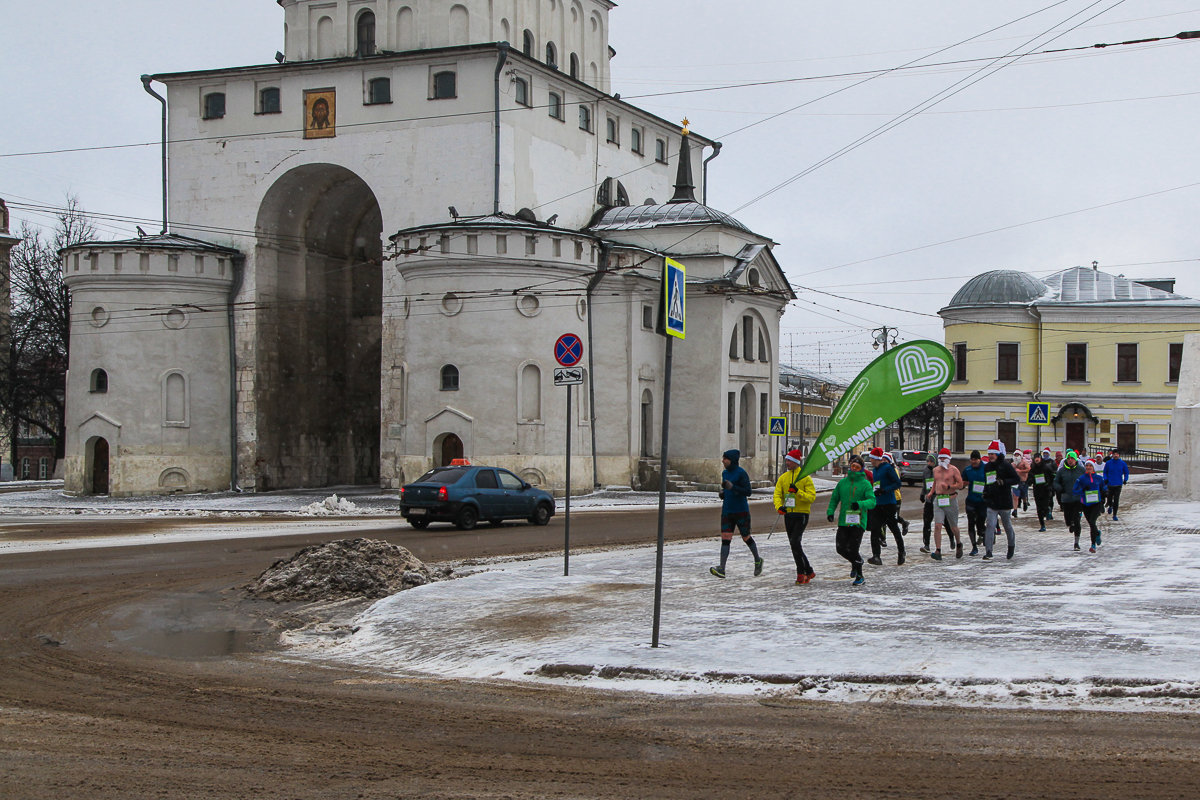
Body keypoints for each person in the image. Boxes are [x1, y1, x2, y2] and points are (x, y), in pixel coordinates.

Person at [710, 449, 762, 578]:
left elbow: (747, 491)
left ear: (732, 460)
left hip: (741, 511)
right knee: (725, 539)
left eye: (725, 458)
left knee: (746, 537)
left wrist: (732, 487)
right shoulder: (725, 473)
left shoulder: (741, 474)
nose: (723, 460)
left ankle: (758, 560)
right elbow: (726, 489)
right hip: (727, 511)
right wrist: (723, 493)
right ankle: (722, 568)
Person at [826, 456, 876, 586]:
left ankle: (860, 576)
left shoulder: (865, 484)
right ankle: (856, 561)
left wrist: (860, 504)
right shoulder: (842, 483)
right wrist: (830, 512)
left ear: (861, 469)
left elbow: (872, 501)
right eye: (852, 466)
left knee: (853, 549)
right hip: (844, 521)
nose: (854, 469)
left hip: (858, 522)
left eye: (857, 467)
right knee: (840, 548)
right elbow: (834, 499)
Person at [773, 449, 817, 584]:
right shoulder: (783, 478)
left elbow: (811, 497)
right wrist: (779, 507)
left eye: (789, 461)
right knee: (794, 544)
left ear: (796, 462)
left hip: (801, 514)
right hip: (789, 515)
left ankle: (801, 572)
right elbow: (777, 494)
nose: (787, 463)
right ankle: (808, 570)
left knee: (795, 542)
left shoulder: (805, 477)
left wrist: (797, 492)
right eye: (786, 461)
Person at [866, 447, 905, 566]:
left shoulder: (888, 468)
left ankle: (901, 552)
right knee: (875, 530)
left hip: (889, 503)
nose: (870, 460)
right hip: (877, 504)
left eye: (871, 458)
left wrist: (884, 490)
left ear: (876, 458)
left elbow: (897, 483)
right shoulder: (875, 470)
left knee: (894, 529)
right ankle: (876, 556)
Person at [982, 441, 1021, 560]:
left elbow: (1016, 479)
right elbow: (987, 481)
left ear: (998, 454)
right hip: (992, 500)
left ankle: (1011, 545)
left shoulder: (1006, 466)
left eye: (993, 454)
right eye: (989, 454)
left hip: (1004, 500)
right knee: (990, 525)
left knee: (1007, 525)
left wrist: (1004, 482)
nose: (990, 456)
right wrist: (985, 491)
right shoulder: (987, 466)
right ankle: (988, 551)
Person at [929, 448, 965, 560]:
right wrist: (931, 492)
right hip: (939, 499)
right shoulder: (935, 470)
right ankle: (938, 550)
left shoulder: (954, 470)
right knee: (937, 525)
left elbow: (961, 484)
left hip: (950, 499)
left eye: (944, 458)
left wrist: (950, 487)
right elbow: (935, 481)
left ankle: (959, 543)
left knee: (953, 526)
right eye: (940, 457)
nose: (942, 459)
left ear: (948, 459)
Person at [1054, 450, 1087, 551]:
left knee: (1077, 520)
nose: (1070, 460)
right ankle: (1070, 524)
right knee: (1068, 520)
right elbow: (1055, 482)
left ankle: (1076, 543)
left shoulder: (1081, 470)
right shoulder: (1062, 471)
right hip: (1066, 499)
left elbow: (1087, 480)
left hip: (1078, 499)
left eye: (1072, 458)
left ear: (1076, 459)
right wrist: (1059, 488)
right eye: (1068, 458)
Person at [1074, 460, 1108, 553]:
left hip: (1096, 503)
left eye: (1090, 466)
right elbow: (1074, 491)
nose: (1088, 467)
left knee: (1092, 522)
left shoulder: (1098, 478)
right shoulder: (1081, 479)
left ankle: (1093, 545)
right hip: (1086, 504)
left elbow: (1104, 487)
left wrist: (1106, 492)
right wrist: (1082, 490)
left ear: (1093, 467)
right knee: (1091, 524)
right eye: (1087, 466)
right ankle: (1097, 533)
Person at [961, 450, 987, 557]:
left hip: (983, 501)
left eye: (975, 459)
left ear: (979, 459)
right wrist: (963, 484)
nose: (973, 462)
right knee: (971, 523)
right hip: (971, 500)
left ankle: (983, 533)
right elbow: (961, 483)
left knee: (980, 523)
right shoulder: (967, 470)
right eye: (972, 459)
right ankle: (974, 546)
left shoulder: (985, 468)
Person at [1029, 452, 1057, 531]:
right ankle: (1042, 525)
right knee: (1038, 508)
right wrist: (1030, 481)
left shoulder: (1046, 467)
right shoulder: (1033, 469)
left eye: (1038, 458)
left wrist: (1050, 485)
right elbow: (1030, 478)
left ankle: (1047, 510)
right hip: (1037, 490)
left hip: (1045, 489)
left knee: (1044, 506)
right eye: (1035, 458)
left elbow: (1053, 476)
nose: (1037, 459)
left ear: (1040, 458)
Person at [918, 454, 938, 554]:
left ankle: (952, 537)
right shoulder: (925, 471)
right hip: (929, 500)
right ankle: (927, 544)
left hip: (938, 499)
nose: (929, 463)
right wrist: (922, 494)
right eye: (928, 461)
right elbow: (925, 484)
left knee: (944, 522)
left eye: (931, 462)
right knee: (927, 522)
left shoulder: (938, 471)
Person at [1103, 450, 1130, 521]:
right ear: (1112, 455)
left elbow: (1126, 472)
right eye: (1114, 454)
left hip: (1118, 484)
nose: (1116, 455)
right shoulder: (1108, 463)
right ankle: (1110, 505)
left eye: (1117, 454)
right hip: (1110, 484)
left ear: (1119, 455)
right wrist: (1105, 479)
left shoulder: (1122, 464)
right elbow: (1105, 472)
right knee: (1109, 497)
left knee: (1116, 499)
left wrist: (1125, 479)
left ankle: (1114, 514)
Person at [1012, 451, 1031, 518]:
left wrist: (1020, 471)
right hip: (1015, 483)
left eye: (1018, 455)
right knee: (1015, 497)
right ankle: (1015, 510)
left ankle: (1025, 502)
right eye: (1015, 455)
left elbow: (1029, 469)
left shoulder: (1024, 462)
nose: (1016, 456)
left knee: (1024, 495)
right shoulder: (1013, 464)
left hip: (1023, 482)